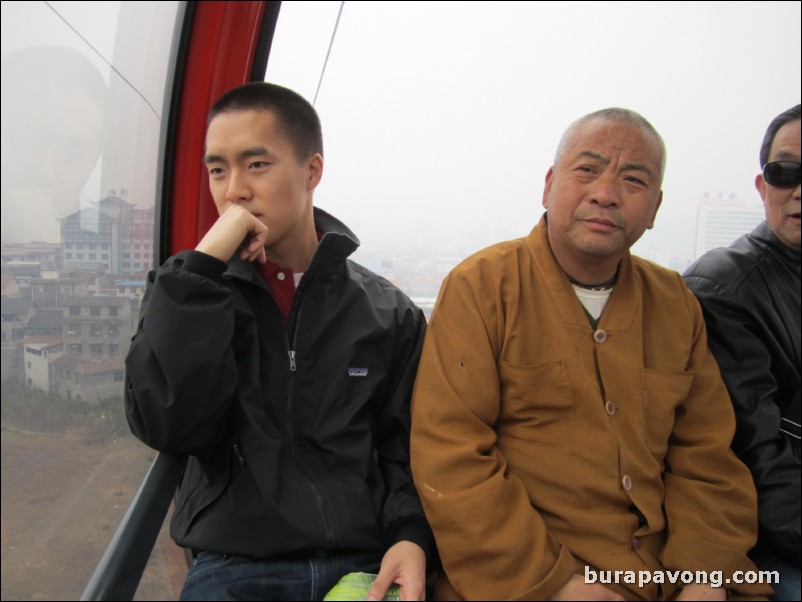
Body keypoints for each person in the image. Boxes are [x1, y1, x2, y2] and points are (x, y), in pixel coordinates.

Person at [410, 108, 773, 601]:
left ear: (656, 207)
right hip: (530, 580)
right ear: (548, 184)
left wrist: (705, 575)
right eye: (587, 169)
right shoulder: (482, 287)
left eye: (633, 179)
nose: (606, 193)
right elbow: (451, 457)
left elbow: (706, 456)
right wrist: (558, 585)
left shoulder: (673, 301)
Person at [124, 82, 431, 601]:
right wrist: (202, 267)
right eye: (218, 169)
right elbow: (167, 423)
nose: (234, 190)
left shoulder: (385, 311)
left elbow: (407, 449)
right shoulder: (192, 295)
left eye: (256, 165)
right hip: (234, 569)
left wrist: (411, 537)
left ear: (311, 172)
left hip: (364, 567)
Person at [684, 104, 800, 601]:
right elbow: (757, 454)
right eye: (785, 172)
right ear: (762, 186)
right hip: (770, 541)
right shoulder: (725, 288)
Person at [1, 45, 108, 243]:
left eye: (73, 155)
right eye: (23, 141)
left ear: (93, 166)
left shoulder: (118, 268)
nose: (42, 172)